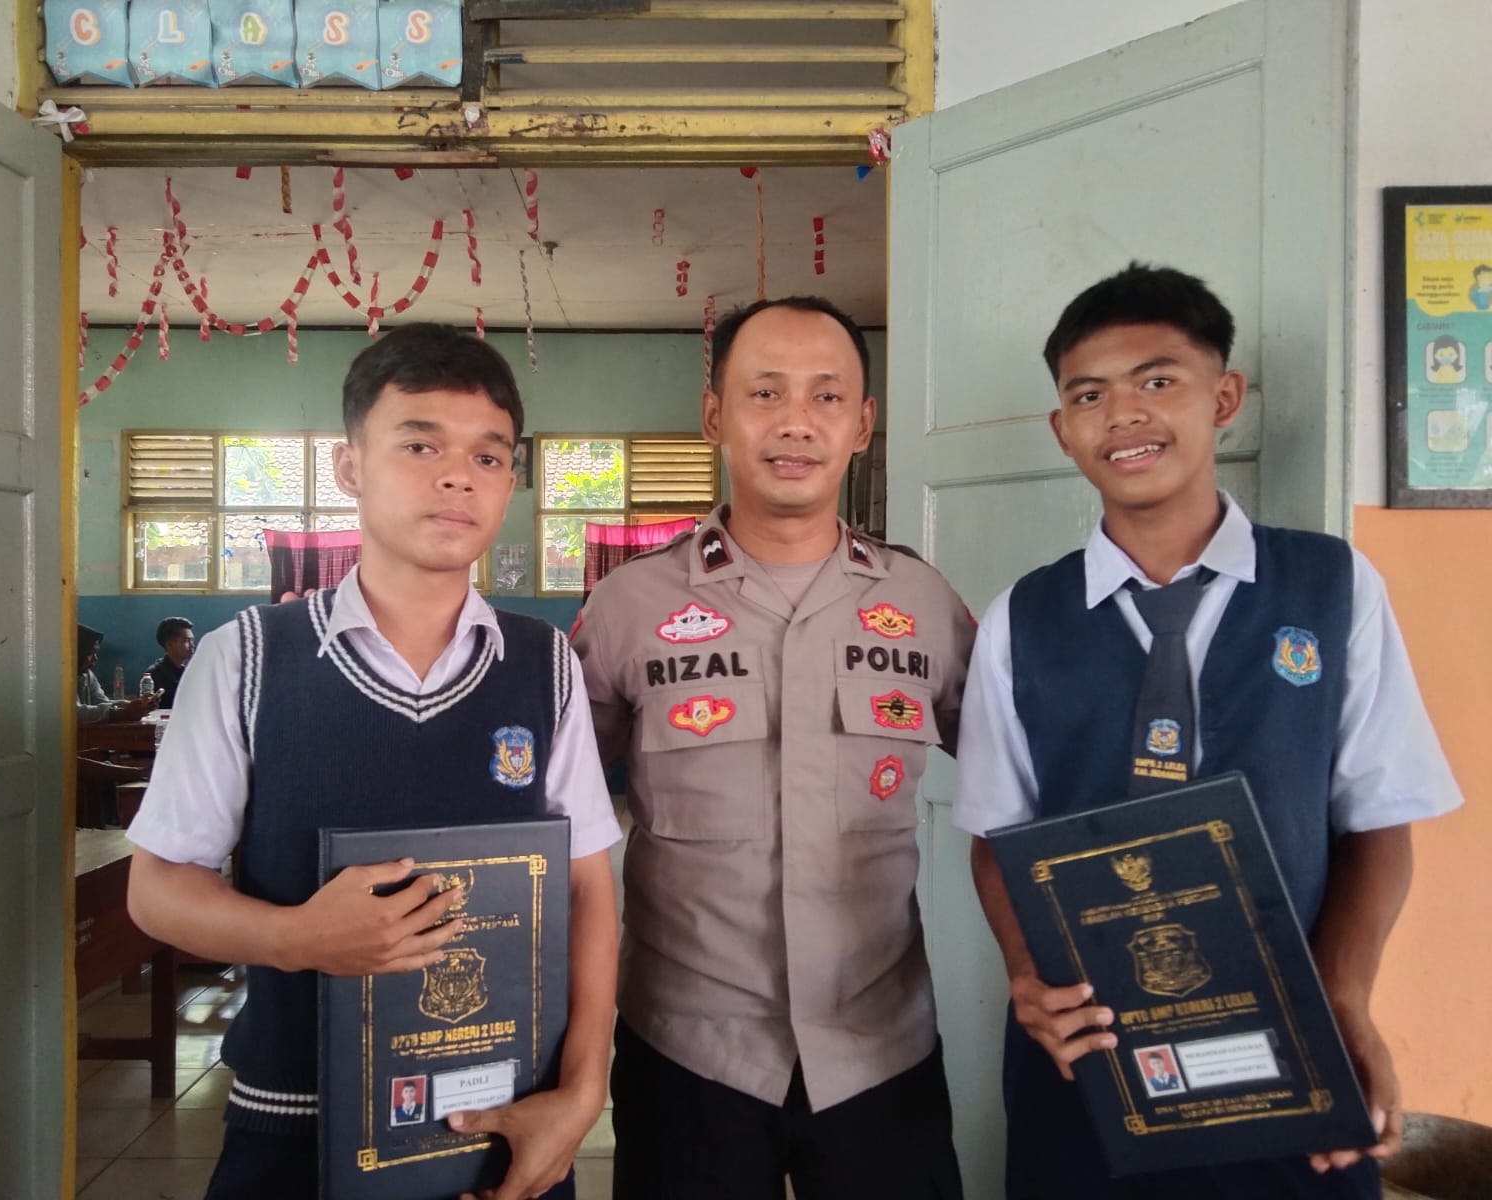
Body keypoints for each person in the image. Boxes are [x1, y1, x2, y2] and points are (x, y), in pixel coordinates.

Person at [953, 263, 1464, 1200]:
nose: (1125, 415)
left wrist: (1344, 1001)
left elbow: (1378, 822)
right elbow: (996, 836)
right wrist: (1026, 977)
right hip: (1089, 1056)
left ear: (1223, 398)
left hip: (1291, 1052)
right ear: (1063, 429)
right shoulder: (1022, 620)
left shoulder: (1332, 587)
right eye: (1089, 395)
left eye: (1158, 380)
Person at [125, 323, 622, 1200]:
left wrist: (581, 1094)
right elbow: (157, 889)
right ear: (350, 466)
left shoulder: (544, 664)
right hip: (298, 1119)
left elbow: (587, 889)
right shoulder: (248, 659)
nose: (458, 476)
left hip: (501, 1120)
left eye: (489, 456)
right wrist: (296, 938)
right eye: (420, 444)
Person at [572, 297, 975, 1200]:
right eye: (765, 393)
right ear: (714, 414)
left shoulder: (923, 603)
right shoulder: (629, 608)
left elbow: (1020, 785)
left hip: (881, 1047)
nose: (796, 421)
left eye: (827, 396)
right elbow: (553, 821)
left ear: (863, 425)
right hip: (687, 1049)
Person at [76, 623, 159, 724]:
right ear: (78, 652)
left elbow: (103, 702)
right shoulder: (62, 678)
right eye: (90, 653)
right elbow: (77, 713)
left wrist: (134, 705)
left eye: (96, 653)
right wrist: (123, 713)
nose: (95, 658)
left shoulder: (88, 675)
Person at [145, 616, 194, 710]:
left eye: (191, 640)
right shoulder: (155, 674)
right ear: (169, 644)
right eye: (186, 641)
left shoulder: (186, 672)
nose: (192, 645)